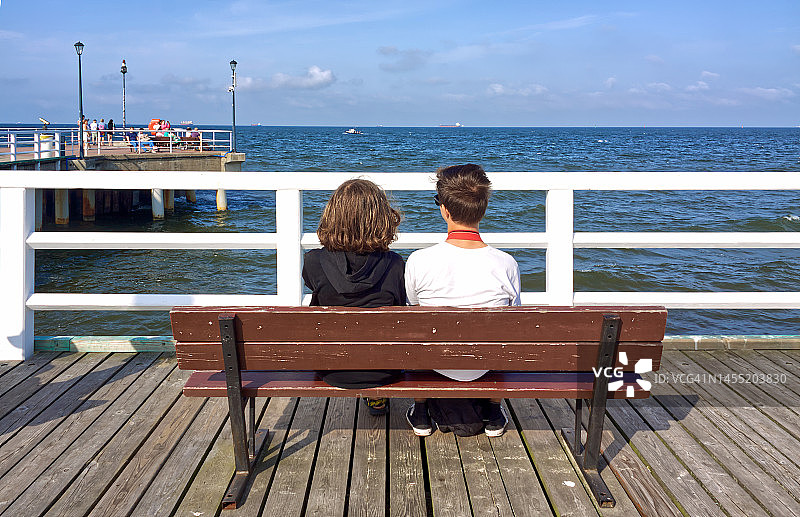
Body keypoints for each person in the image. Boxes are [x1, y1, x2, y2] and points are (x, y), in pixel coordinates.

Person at [404, 164, 521, 437]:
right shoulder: (506, 263)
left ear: (444, 210)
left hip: (435, 361)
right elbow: (514, 316)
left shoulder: (419, 260)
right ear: (484, 207)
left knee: (416, 324)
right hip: (485, 362)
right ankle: (493, 410)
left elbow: (411, 307)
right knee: (505, 329)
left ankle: (421, 412)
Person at [302, 179, 406, 416]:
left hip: (331, 368)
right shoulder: (396, 265)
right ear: (381, 219)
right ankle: (376, 398)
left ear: (332, 217)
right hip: (384, 370)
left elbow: (312, 283)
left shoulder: (313, 261)